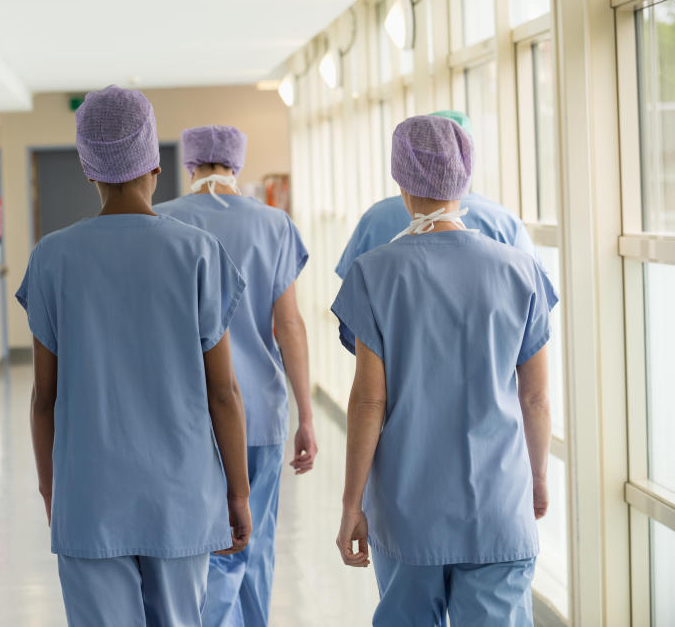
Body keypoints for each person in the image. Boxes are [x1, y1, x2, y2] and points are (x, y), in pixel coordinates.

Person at [15, 86, 252, 627]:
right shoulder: (197, 252)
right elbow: (224, 392)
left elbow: (44, 399)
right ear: (154, 161)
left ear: (86, 167)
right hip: (181, 495)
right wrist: (237, 493)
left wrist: (54, 493)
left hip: (90, 497)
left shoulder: (52, 258)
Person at [332, 116, 556, 626]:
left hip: (408, 511)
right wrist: (537, 478)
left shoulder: (375, 272)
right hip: (499, 507)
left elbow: (369, 401)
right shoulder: (521, 271)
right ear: (465, 178)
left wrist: (351, 503)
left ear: (402, 183)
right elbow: (536, 400)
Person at [158, 124, 315, 626]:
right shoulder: (274, 224)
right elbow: (288, 325)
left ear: (189, 165)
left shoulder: (162, 222)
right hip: (261, 415)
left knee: (209, 549)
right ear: (236, 165)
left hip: (189, 415)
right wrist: (307, 415)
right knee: (256, 545)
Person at [335, 110, 537, 278]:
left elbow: (354, 310)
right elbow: (537, 309)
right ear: (468, 159)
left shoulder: (375, 221)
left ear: (405, 167)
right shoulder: (507, 227)